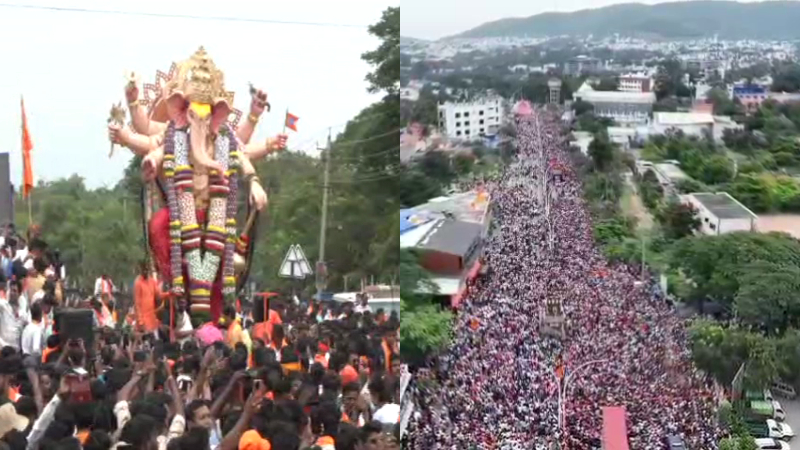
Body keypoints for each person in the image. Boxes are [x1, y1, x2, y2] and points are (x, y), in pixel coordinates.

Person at [133, 262, 162, 336]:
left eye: (147, 270)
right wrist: (140, 321)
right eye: (143, 270)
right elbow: (137, 303)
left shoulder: (152, 281)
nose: (145, 272)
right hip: (144, 320)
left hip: (152, 317)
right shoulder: (138, 282)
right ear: (140, 270)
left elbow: (159, 295)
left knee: (156, 339)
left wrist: (169, 294)